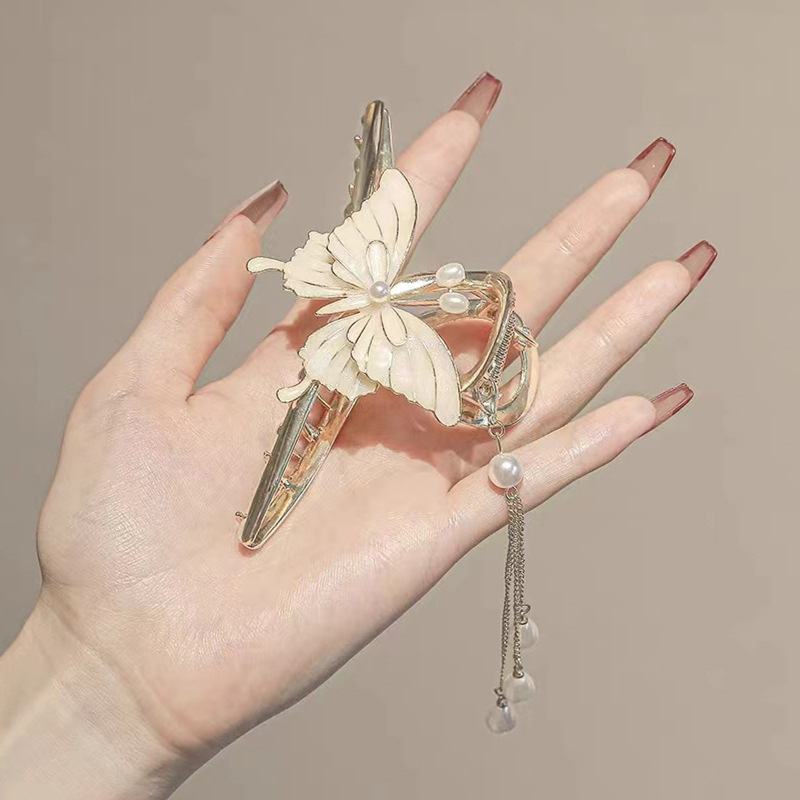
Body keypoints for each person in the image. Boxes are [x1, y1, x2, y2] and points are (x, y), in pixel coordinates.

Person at [0, 72, 714, 798]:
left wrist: (100, 708)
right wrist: (96, 678)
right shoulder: (361, 337)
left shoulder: (400, 337)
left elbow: (468, 326)